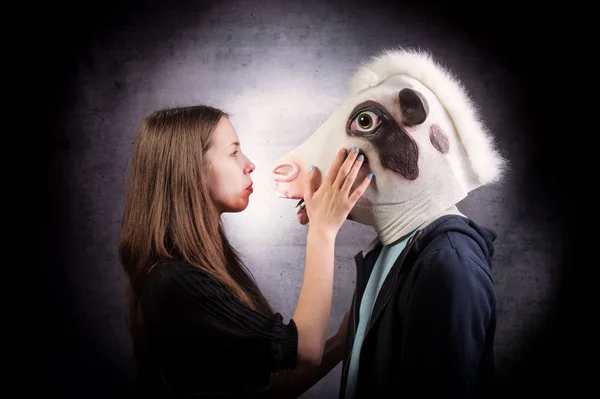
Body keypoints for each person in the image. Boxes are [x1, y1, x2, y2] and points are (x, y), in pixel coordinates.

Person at [117, 104, 373, 398]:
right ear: (191, 169)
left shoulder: (209, 266)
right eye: (233, 152)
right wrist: (323, 230)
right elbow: (304, 350)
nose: (249, 164)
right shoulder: (171, 281)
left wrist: (342, 343)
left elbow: (266, 389)